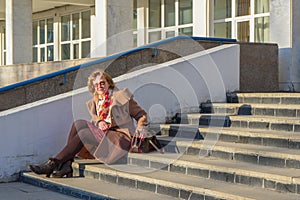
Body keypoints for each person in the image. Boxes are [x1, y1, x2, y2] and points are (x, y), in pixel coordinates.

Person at [29, 70, 148, 178]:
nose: (100, 86)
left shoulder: (121, 96)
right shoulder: (96, 102)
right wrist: (100, 121)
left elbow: (141, 114)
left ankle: (53, 163)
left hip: (120, 138)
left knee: (84, 133)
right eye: (96, 85)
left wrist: (141, 126)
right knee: (78, 124)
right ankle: (66, 165)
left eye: (102, 83)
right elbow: (96, 119)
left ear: (108, 83)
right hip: (104, 134)